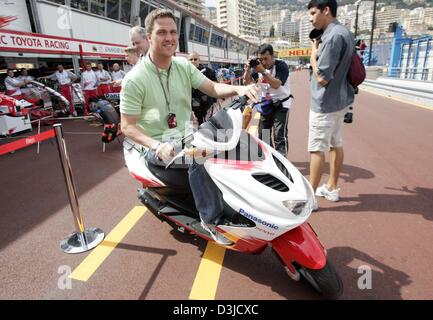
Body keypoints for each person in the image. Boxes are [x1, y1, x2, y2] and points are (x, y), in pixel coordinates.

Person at [120, 9, 258, 245]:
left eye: (173, 32)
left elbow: (213, 88)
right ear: (150, 37)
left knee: (242, 144)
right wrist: (157, 145)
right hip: (155, 146)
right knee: (198, 157)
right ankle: (212, 221)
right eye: (162, 32)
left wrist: (239, 89)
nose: (169, 38)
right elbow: (127, 127)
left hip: (186, 136)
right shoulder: (135, 79)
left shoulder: (183, 66)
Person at [307, 0, 355, 210]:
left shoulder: (333, 36)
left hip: (325, 103)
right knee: (336, 143)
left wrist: (312, 56)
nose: (311, 18)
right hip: (340, 100)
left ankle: (310, 200)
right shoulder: (345, 32)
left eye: (313, 13)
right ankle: (331, 188)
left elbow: (322, 78)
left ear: (326, 10)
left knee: (317, 149)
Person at [244, 43, 292, 157]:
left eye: (266, 59)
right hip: (266, 105)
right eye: (261, 59)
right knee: (263, 135)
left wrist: (263, 71)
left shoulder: (281, 66)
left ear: (272, 56)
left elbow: (276, 85)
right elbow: (247, 82)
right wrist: (247, 70)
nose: (263, 62)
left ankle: (282, 162)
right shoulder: (258, 67)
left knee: (279, 135)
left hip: (281, 104)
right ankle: (270, 159)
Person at [188, 52, 217, 125]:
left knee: (208, 121)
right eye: (191, 59)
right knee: (199, 121)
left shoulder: (207, 70)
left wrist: (214, 98)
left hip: (207, 101)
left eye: (195, 59)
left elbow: (215, 83)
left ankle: (209, 134)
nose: (193, 61)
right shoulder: (186, 72)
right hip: (195, 101)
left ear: (199, 60)